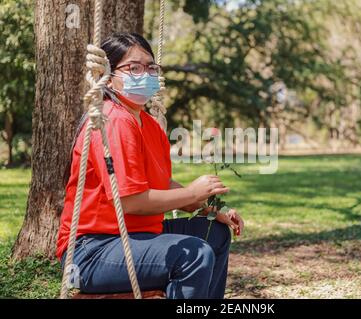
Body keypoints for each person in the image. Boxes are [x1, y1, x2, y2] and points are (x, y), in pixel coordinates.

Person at [56, 32, 244, 299]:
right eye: (133, 67)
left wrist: (208, 207)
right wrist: (192, 192)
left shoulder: (149, 125)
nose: (145, 73)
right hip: (90, 252)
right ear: (108, 75)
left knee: (214, 232)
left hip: (136, 236)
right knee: (193, 255)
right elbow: (130, 201)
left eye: (150, 67)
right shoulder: (113, 120)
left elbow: (161, 184)